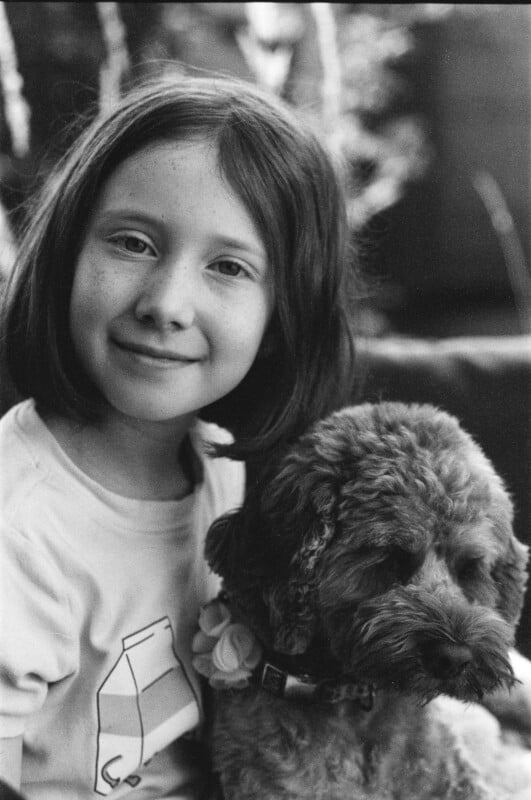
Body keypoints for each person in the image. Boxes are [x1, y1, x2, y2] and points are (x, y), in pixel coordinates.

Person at [0, 74, 356, 799]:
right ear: (66, 250)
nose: (165, 304)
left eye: (227, 266)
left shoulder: (228, 476)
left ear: (282, 317)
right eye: (132, 243)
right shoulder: (19, 529)